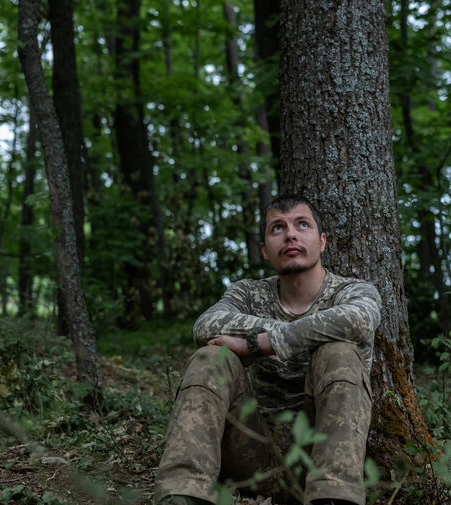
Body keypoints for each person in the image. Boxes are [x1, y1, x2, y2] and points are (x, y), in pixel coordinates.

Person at [154, 195, 382, 505]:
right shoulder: (248, 292)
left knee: (339, 352)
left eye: (303, 225)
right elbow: (205, 326)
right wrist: (294, 333)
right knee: (211, 357)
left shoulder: (351, 291)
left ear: (323, 241)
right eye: (278, 228)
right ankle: (183, 494)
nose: (291, 234)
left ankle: (335, 499)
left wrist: (262, 343)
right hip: (252, 456)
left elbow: (359, 320)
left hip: (320, 456)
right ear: (264, 249)